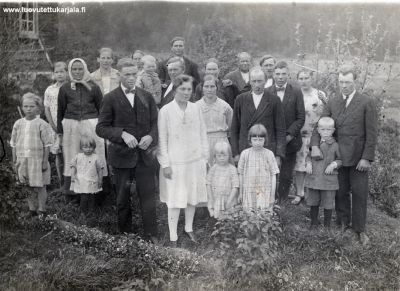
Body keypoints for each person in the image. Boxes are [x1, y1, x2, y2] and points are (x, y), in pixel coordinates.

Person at [310, 65, 377, 245]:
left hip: (358, 157)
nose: (344, 86)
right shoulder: (333, 101)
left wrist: (366, 157)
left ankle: (359, 229)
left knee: (359, 193)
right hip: (338, 158)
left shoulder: (366, 102)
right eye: (341, 82)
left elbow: (372, 133)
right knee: (340, 192)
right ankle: (343, 223)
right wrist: (315, 145)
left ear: (355, 82)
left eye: (347, 82)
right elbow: (319, 125)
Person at [96, 58, 158, 242]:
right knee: (123, 199)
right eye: (127, 74)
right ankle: (126, 235)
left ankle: (151, 233)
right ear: (119, 75)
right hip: (121, 157)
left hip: (144, 157)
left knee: (147, 196)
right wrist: (122, 134)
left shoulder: (146, 96)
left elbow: (156, 124)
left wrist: (151, 136)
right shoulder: (110, 98)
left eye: (134, 74)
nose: (131, 78)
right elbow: (101, 128)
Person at [157, 74, 209, 247]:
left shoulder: (196, 109)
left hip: (194, 160)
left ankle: (188, 228)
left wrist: (204, 157)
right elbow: (162, 139)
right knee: (175, 198)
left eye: (189, 89)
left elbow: (202, 133)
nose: (187, 93)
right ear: (174, 90)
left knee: (191, 196)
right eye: (182, 89)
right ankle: (173, 236)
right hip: (175, 162)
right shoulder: (166, 111)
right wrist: (165, 164)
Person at [57, 58, 107, 202]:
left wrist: (101, 128)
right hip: (71, 127)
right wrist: (60, 131)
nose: (77, 72)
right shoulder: (65, 88)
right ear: (70, 71)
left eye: (80, 69)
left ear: (85, 70)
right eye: (74, 69)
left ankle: (96, 193)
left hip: (91, 124)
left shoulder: (94, 87)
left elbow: (101, 109)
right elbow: (60, 111)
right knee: (73, 157)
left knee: (93, 155)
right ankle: (73, 195)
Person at [231, 67, 286, 166]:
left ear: (265, 81)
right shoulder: (241, 99)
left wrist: (278, 155)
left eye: (260, 81)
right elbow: (235, 128)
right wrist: (235, 153)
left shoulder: (274, 100)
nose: (257, 85)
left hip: (267, 149)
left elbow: (280, 129)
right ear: (250, 82)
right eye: (254, 81)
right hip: (245, 149)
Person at [268, 61, 305, 203]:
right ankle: (270, 200)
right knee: (271, 171)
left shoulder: (296, 92)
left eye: (283, 74)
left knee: (286, 174)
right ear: (273, 74)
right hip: (273, 140)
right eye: (277, 74)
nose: (280, 77)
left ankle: (282, 201)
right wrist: (274, 138)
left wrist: (289, 135)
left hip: (291, 141)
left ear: (288, 75)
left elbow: (301, 117)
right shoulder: (268, 92)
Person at [11, 93, 52, 218]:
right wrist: (14, 161)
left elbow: (47, 144)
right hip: (22, 159)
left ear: (38, 108)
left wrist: (45, 161)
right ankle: (32, 209)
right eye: (26, 106)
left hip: (37, 160)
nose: (28, 109)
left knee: (40, 185)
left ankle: (42, 210)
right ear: (22, 108)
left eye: (32, 106)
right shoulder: (18, 124)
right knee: (26, 185)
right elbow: (13, 144)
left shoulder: (42, 124)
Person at [292, 70, 327, 205]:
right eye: (301, 78)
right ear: (297, 80)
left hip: (315, 137)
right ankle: (299, 193)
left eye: (306, 78)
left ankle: (312, 194)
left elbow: (327, 114)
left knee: (314, 166)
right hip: (299, 136)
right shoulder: (295, 94)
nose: (304, 81)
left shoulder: (319, 95)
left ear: (311, 79)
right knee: (299, 166)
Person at [305, 117, 342, 229]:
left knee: (328, 202)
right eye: (323, 129)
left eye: (329, 130)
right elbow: (308, 156)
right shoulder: (314, 145)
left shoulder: (336, 145)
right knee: (313, 201)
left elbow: (341, 159)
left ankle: (327, 226)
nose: (326, 132)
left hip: (328, 180)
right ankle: (314, 223)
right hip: (314, 178)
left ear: (333, 130)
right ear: (318, 130)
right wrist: (308, 164)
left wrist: (334, 164)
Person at [238, 124, 280, 211]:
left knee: (263, 215)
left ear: (265, 140)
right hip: (249, 190)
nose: (257, 142)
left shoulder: (269, 154)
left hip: (264, 190)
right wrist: (241, 193)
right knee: (249, 215)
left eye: (260, 140)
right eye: (255, 139)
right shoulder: (245, 154)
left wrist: (272, 195)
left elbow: (273, 175)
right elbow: (240, 174)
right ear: (250, 140)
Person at [195, 74, 233, 166]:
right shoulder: (196, 107)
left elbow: (231, 127)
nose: (209, 89)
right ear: (202, 88)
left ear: (217, 88)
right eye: (206, 86)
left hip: (221, 142)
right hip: (203, 143)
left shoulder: (225, 106)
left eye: (212, 86)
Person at [44, 61, 67, 188]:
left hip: (68, 124)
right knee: (58, 153)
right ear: (53, 74)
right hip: (54, 126)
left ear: (66, 73)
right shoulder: (50, 89)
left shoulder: (71, 86)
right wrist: (53, 125)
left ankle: (71, 182)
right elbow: (46, 108)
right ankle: (61, 182)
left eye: (62, 71)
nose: (59, 74)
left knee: (69, 153)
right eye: (56, 72)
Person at [70, 134, 105, 215]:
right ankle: (83, 212)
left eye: (90, 147)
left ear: (94, 147)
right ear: (81, 147)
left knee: (92, 196)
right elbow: (73, 166)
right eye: (85, 147)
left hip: (92, 180)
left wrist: (100, 180)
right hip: (82, 180)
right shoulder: (78, 156)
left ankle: (91, 212)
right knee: (84, 196)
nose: (88, 149)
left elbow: (100, 170)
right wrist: (72, 175)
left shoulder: (96, 157)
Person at [206, 141, 239, 219]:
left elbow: (236, 186)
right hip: (216, 198)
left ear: (229, 156)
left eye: (224, 155)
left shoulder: (232, 169)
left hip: (229, 198)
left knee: (230, 219)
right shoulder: (213, 169)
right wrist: (211, 199)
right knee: (218, 219)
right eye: (219, 156)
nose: (222, 158)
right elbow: (208, 183)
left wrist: (230, 200)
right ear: (215, 157)